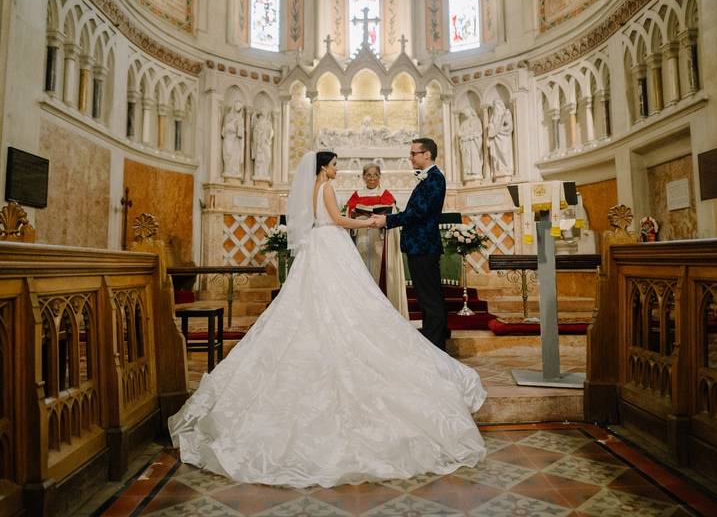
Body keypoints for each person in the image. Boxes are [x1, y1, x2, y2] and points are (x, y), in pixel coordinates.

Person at [169, 150, 485, 488]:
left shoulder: (310, 190)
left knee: (312, 306)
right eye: (334, 165)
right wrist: (369, 221)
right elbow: (338, 220)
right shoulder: (328, 189)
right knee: (349, 305)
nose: (338, 169)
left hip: (317, 250)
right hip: (332, 245)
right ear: (323, 167)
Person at [371, 138, 450, 351]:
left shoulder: (435, 179)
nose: (411, 157)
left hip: (424, 246)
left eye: (414, 153)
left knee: (430, 299)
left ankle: (436, 348)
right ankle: (434, 344)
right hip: (419, 245)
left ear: (427, 155)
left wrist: (388, 220)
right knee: (427, 298)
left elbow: (418, 212)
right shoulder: (428, 179)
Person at [346, 164, 396, 283]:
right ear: (363, 177)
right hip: (362, 231)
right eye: (368, 175)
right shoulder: (357, 194)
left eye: (375, 175)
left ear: (380, 177)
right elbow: (350, 213)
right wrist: (355, 213)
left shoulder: (385, 194)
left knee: (377, 263)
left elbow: (392, 212)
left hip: (378, 233)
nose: (372, 178)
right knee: (361, 261)